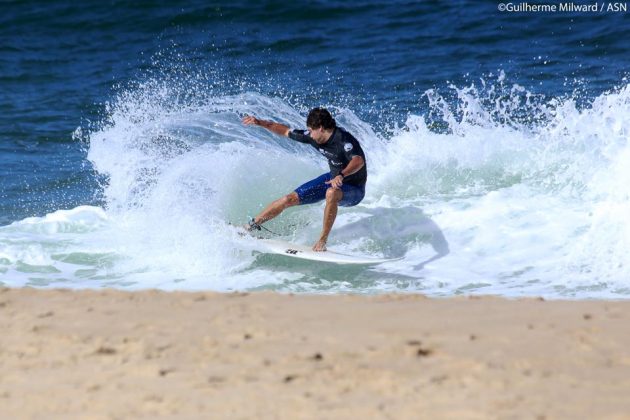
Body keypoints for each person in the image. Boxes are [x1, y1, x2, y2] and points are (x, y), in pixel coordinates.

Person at [242, 107, 367, 252]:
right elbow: (285, 131)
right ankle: (249, 226)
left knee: (332, 193)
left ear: (320, 128)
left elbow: (358, 161)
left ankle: (322, 241)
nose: (310, 135)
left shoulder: (344, 140)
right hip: (332, 179)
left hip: (354, 188)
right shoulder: (312, 136)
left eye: (311, 130)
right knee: (288, 199)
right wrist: (260, 123)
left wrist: (342, 175)